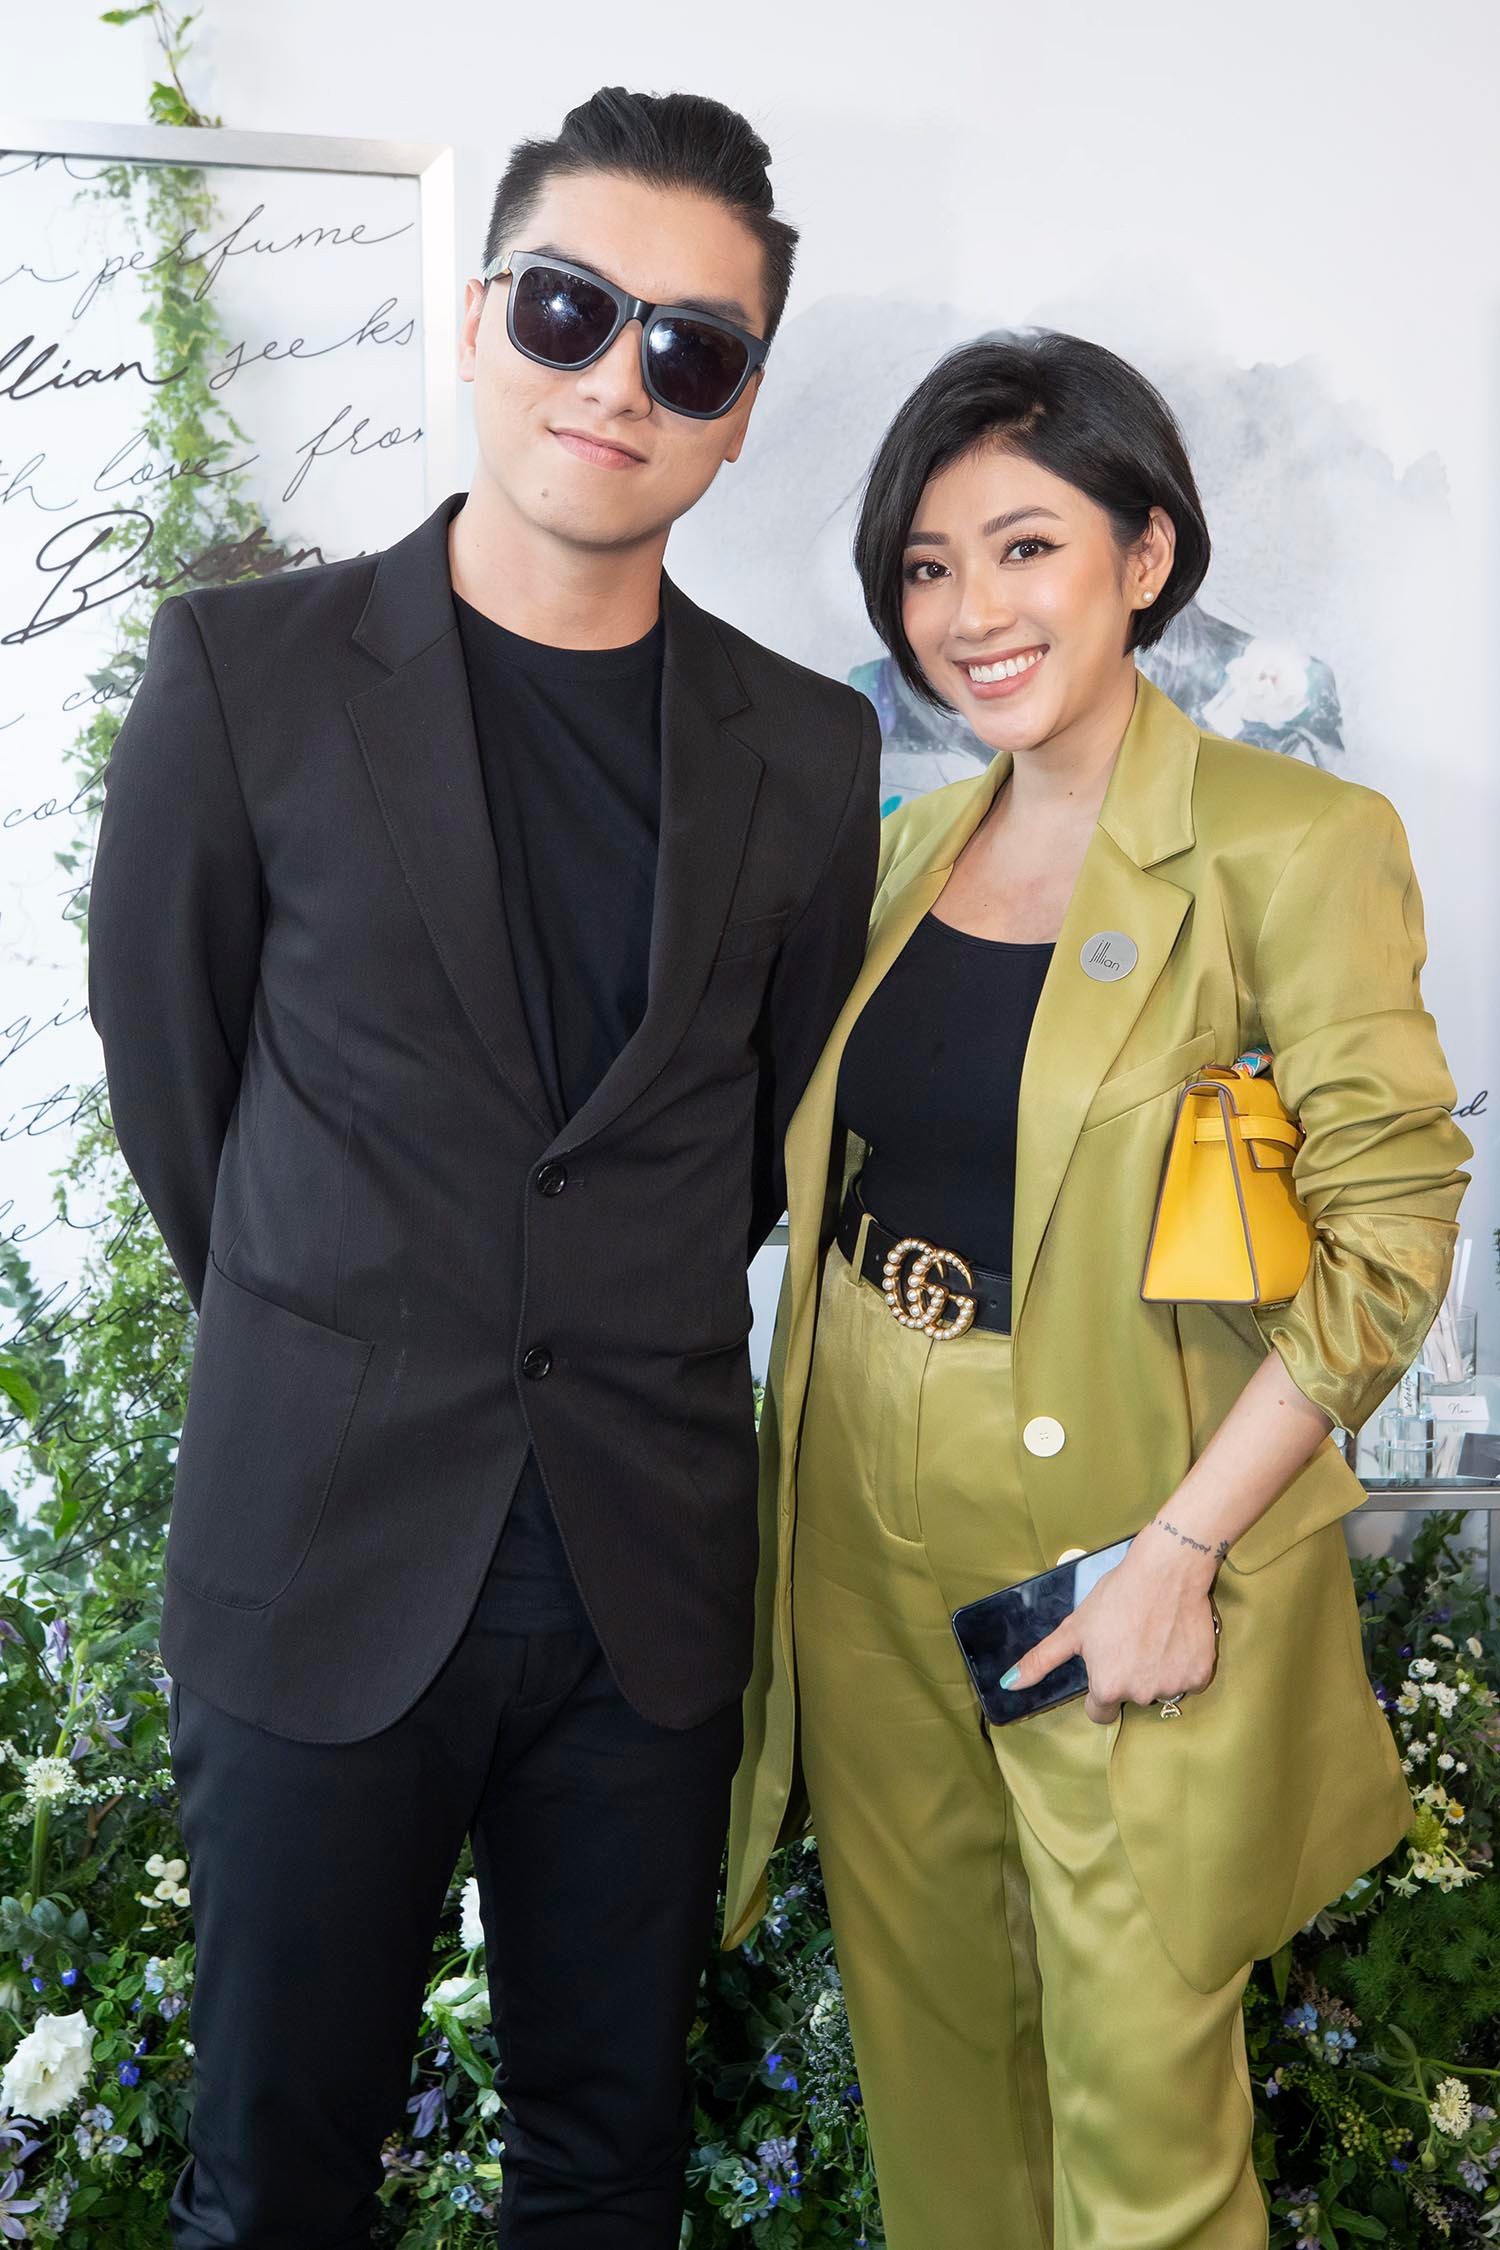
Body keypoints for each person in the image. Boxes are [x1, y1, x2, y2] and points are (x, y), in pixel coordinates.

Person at [87, 85, 880, 2249]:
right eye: (566, 310)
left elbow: (766, 1138)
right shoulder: (244, 677)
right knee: (273, 2184)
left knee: (606, 2176)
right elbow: (178, 1081)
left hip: (642, 1580)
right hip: (320, 1546)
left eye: (690, 351)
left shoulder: (811, 754)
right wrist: (354, 1316)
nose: (618, 379)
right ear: (474, 319)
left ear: (737, 414)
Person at [723, 332, 1471, 2249]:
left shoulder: (1295, 842)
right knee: (940, 2103)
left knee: (1147, 2147)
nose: (970, 611)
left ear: (1146, 555)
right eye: (927, 566)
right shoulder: (901, 852)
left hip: (1120, 1529)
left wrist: (1182, 1549)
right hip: (856, 1512)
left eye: (1025, 547)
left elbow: (1393, 1234)